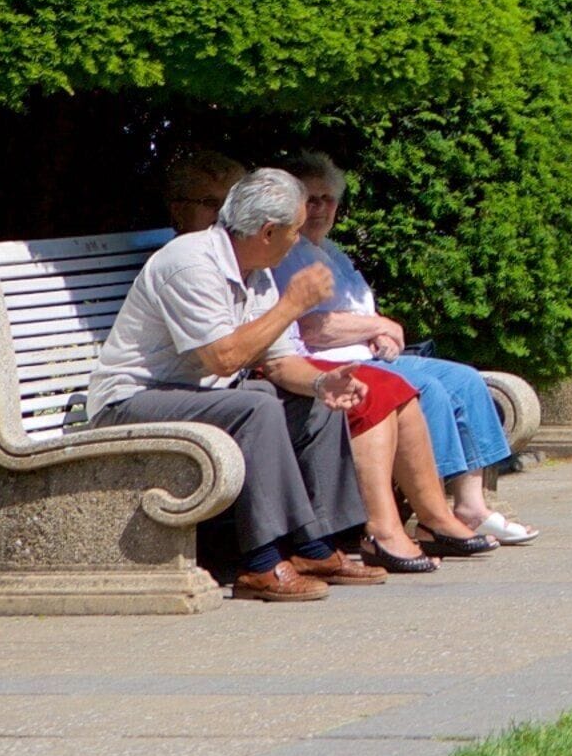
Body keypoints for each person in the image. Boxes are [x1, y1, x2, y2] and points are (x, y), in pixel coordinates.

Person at [79, 166, 379, 602]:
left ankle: (316, 546)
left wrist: (321, 383)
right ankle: (260, 563)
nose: (299, 239)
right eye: (294, 231)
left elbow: (278, 364)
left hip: (197, 396)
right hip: (130, 401)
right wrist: (293, 304)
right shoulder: (190, 263)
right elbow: (224, 357)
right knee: (256, 407)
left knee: (309, 401)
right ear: (268, 231)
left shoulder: (255, 270)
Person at [279, 154, 535, 551]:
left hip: (369, 352)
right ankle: (429, 515)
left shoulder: (330, 251)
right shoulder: (287, 254)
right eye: (310, 200)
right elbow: (310, 329)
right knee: (426, 387)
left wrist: (382, 334)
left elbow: (358, 313)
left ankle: (471, 505)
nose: (321, 209)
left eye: (328, 199)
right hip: (334, 362)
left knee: (465, 379)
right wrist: (378, 327)